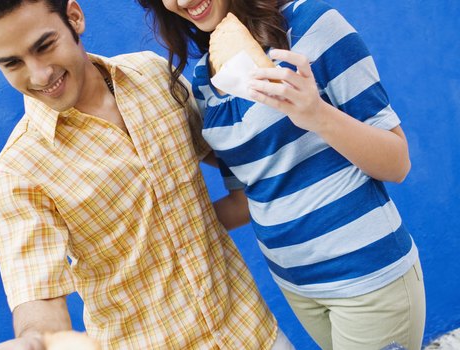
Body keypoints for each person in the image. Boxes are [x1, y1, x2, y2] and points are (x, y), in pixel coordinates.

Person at [0, 0, 295, 349]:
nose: (39, 75)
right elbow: (39, 301)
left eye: (45, 46)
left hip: (254, 333)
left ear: (74, 17)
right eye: (13, 63)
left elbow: (243, 159)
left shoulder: (153, 76)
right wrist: (33, 343)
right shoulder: (17, 174)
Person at [135, 0, 426, 349]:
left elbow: (397, 163)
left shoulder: (311, 25)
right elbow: (250, 198)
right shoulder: (204, 82)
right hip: (298, 289)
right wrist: (156, 230)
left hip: (367, 280)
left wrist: (316, 113)